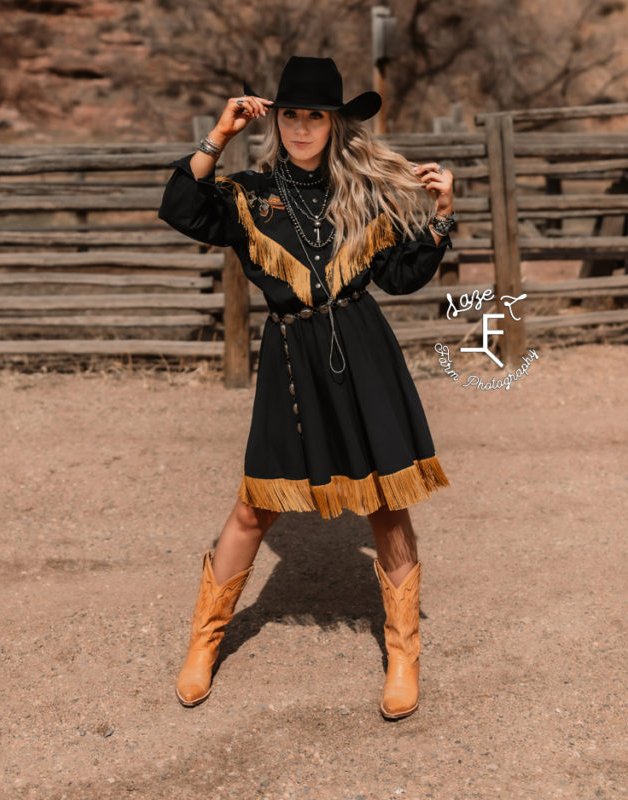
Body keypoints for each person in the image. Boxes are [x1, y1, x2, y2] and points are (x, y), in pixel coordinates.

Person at [157, 55, 455, 720]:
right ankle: (203, 645)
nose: (299, 127)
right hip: (290, 362)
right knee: (252, 509)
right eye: (290, 114)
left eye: (313, 116)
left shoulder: (366, 195)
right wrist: (219, 133)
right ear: (278, 119)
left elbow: (404, 278)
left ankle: (402, 654)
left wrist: (439, 215)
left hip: (363, 354)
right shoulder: (249, 194)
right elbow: (179, 204)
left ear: (334, 124)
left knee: (386, 504)